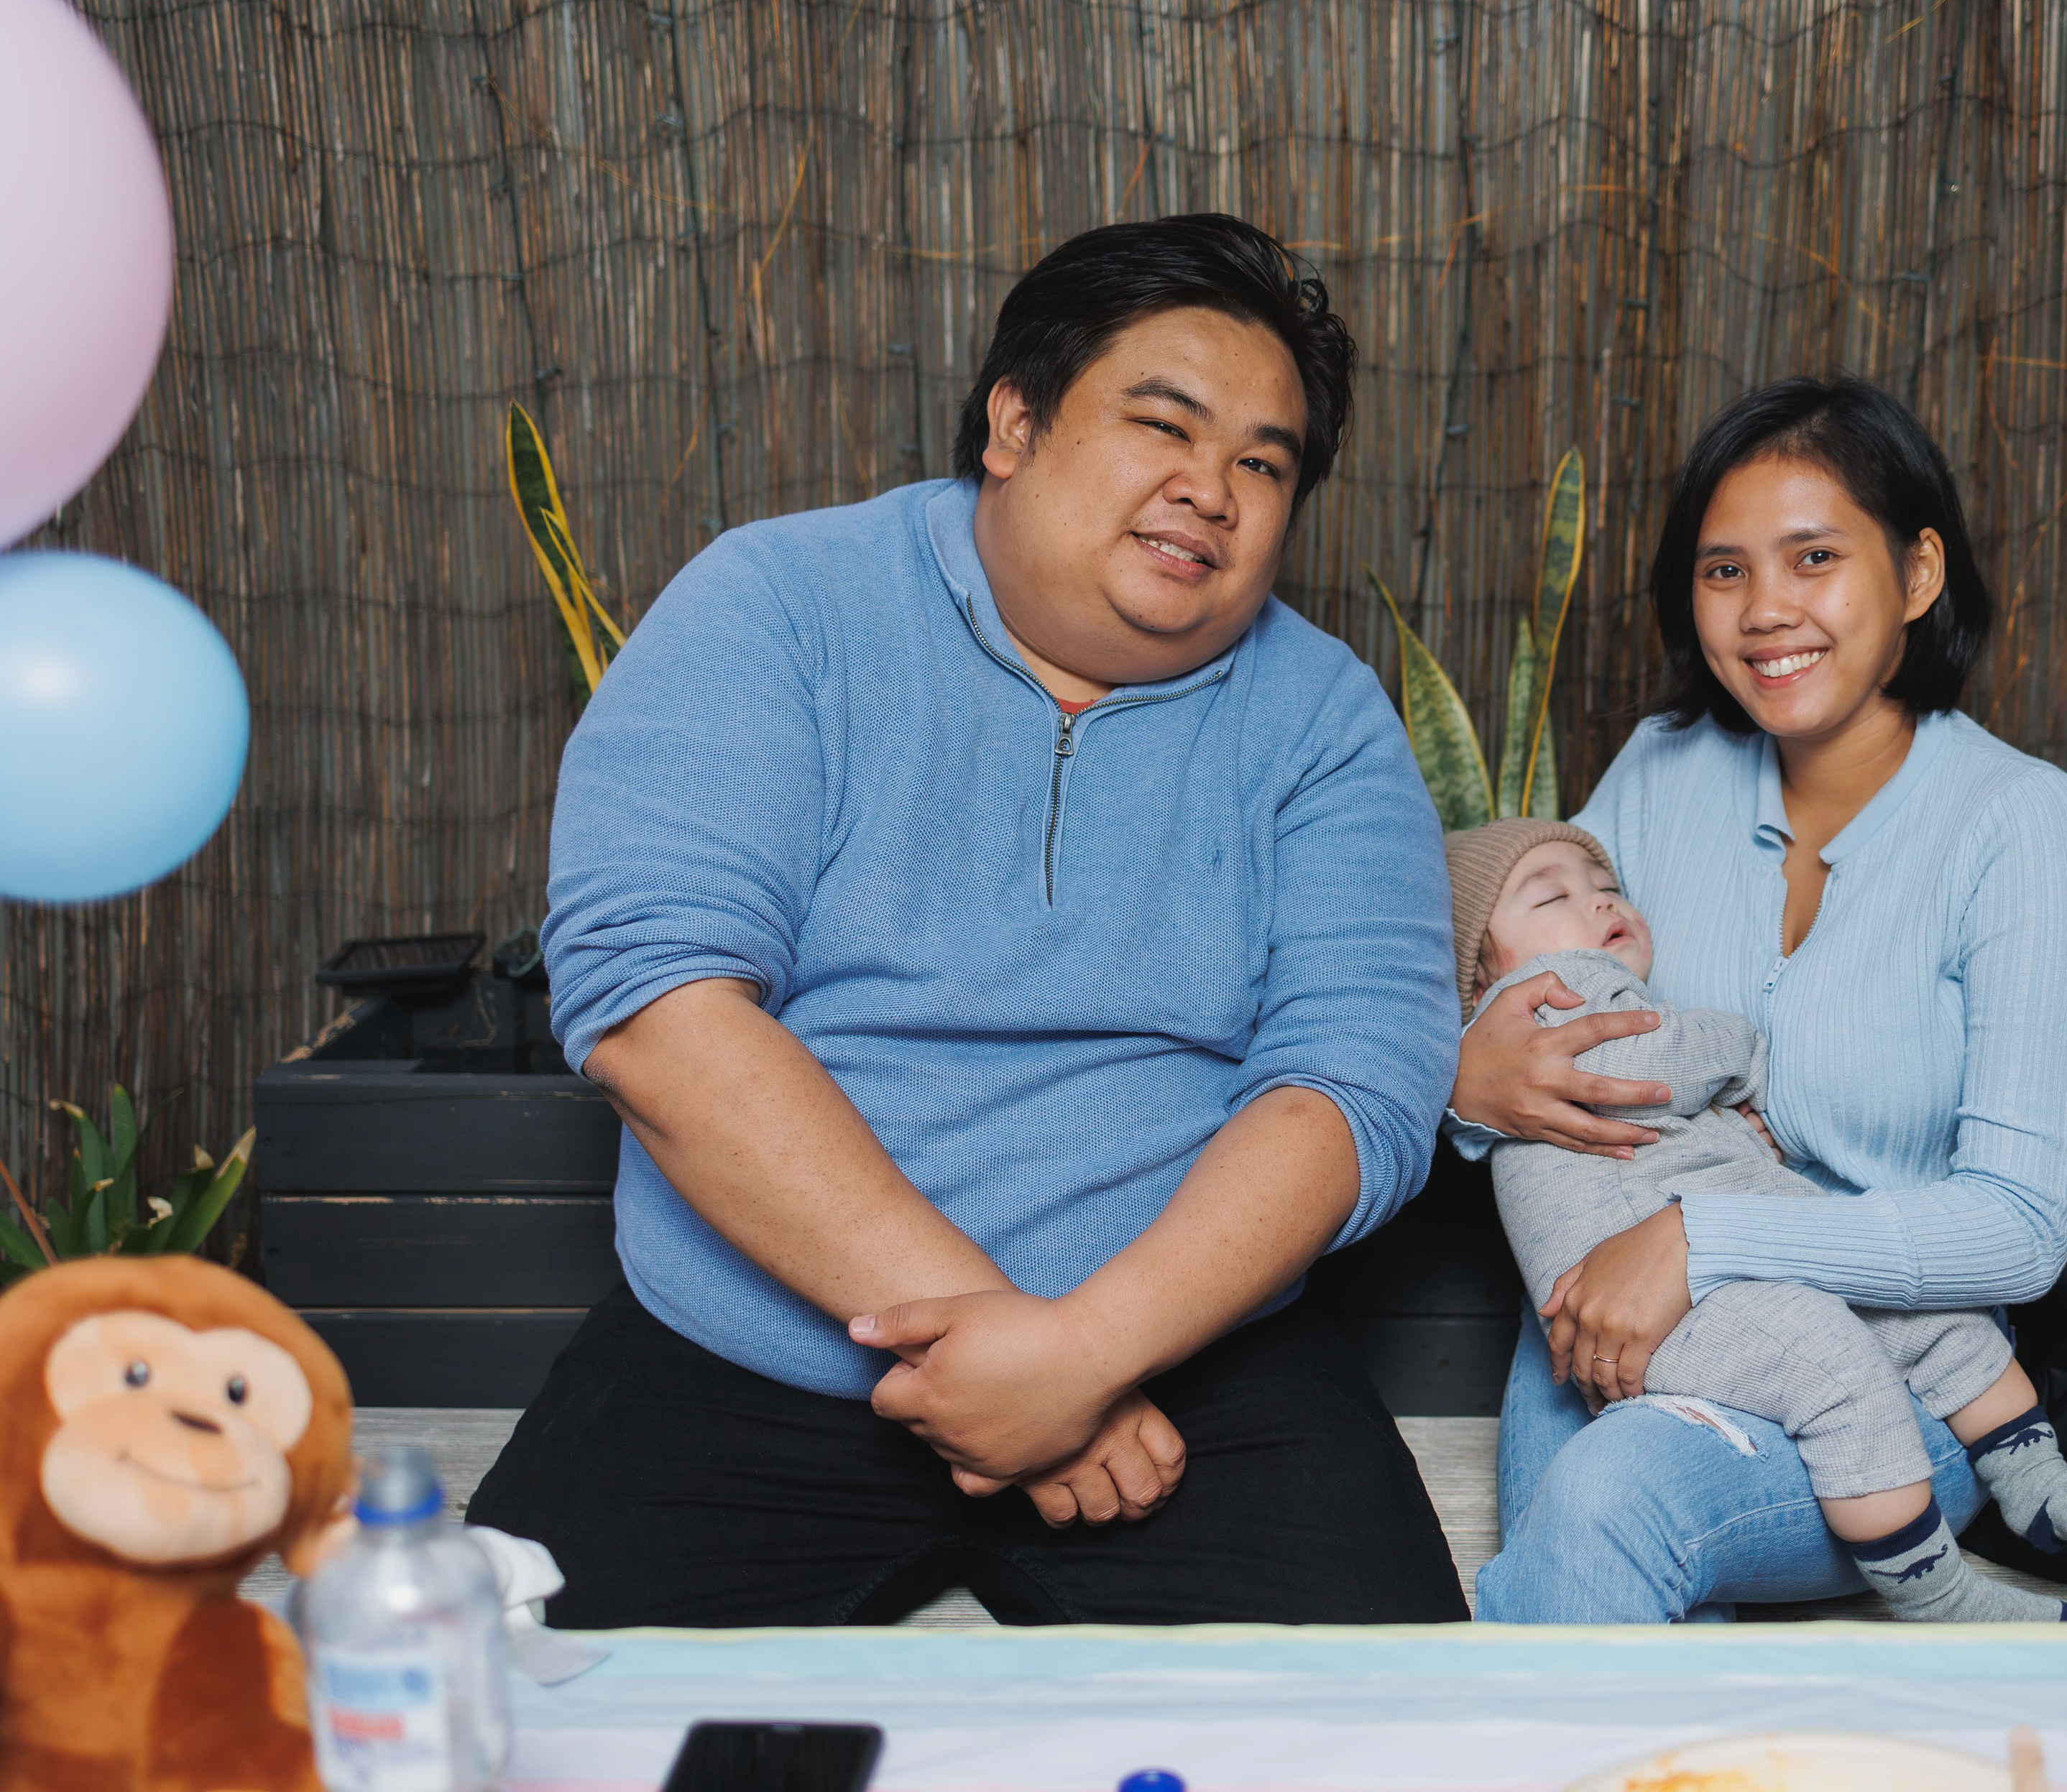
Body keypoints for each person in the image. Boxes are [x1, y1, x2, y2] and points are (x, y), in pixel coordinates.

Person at [468, 214, 1471, 1627]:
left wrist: (1088, 1354)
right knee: (490, 1708)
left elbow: (1356, 1082)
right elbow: (656, 1010)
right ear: (1014, 422)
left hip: (1182, 1369)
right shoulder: (779, 604)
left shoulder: (1324, 720)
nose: (1212, 490)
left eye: (1264, 462)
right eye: (1164, 426)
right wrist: (1010, 1363)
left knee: (1390, 1728)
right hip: (750, 1342)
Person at [1453, 377, 2067, 1623]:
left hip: (1887, 1379)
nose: (1766, 610)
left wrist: (1703, 1240)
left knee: (1607, 1505)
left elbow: (2021, 1230)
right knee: (1598, 1576)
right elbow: (1499, 963)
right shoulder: (1662, 773)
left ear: (1918, 573)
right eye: (1725, 571)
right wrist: (1467, 1080)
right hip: (1619, 1323)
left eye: (1814, 557)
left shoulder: (2022, 828)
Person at [1444, 821, 2067, 1623]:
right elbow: (1640, 1063)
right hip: (1671, 1302)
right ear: (1480, 972)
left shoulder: (2021, 826)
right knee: (1834, 1353)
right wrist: (1740, 1053)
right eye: (1554, 897)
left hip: (1744, 1255)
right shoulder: (1555, 991)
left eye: (1606, 886)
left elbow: (2020, 1231)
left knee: (1926, 1319)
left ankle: (2036, 1480)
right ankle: (1942, 1590)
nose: (1601, 900)